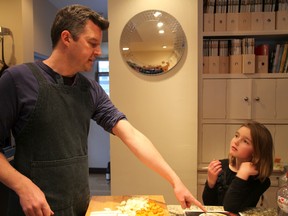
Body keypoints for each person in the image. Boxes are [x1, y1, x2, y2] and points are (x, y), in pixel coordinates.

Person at [0, 4, 205, 216]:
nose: (98, 51)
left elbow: (131, 135)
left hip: (79, 206)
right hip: (33, 210)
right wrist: (22, 185)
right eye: (92, 43)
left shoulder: (90, 90)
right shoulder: (17, 80)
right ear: (67, 38)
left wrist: (175, 180)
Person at [202, 120, 274, 213]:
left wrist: (242, 173)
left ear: (256, 152)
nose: (236, 141)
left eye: (245, 141)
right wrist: (210, 184)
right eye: (236, 135)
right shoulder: (221, 166)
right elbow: (209, 204)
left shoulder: (260, 181)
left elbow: (231, 207)